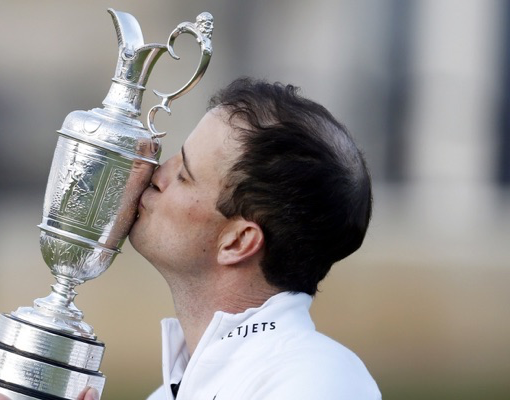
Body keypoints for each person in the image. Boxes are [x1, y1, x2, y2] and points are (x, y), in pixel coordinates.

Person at [128, 77, 380, 399]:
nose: (156, 173)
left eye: (183, 175)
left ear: (238, 242)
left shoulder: (317, 379)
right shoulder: (168, 394)